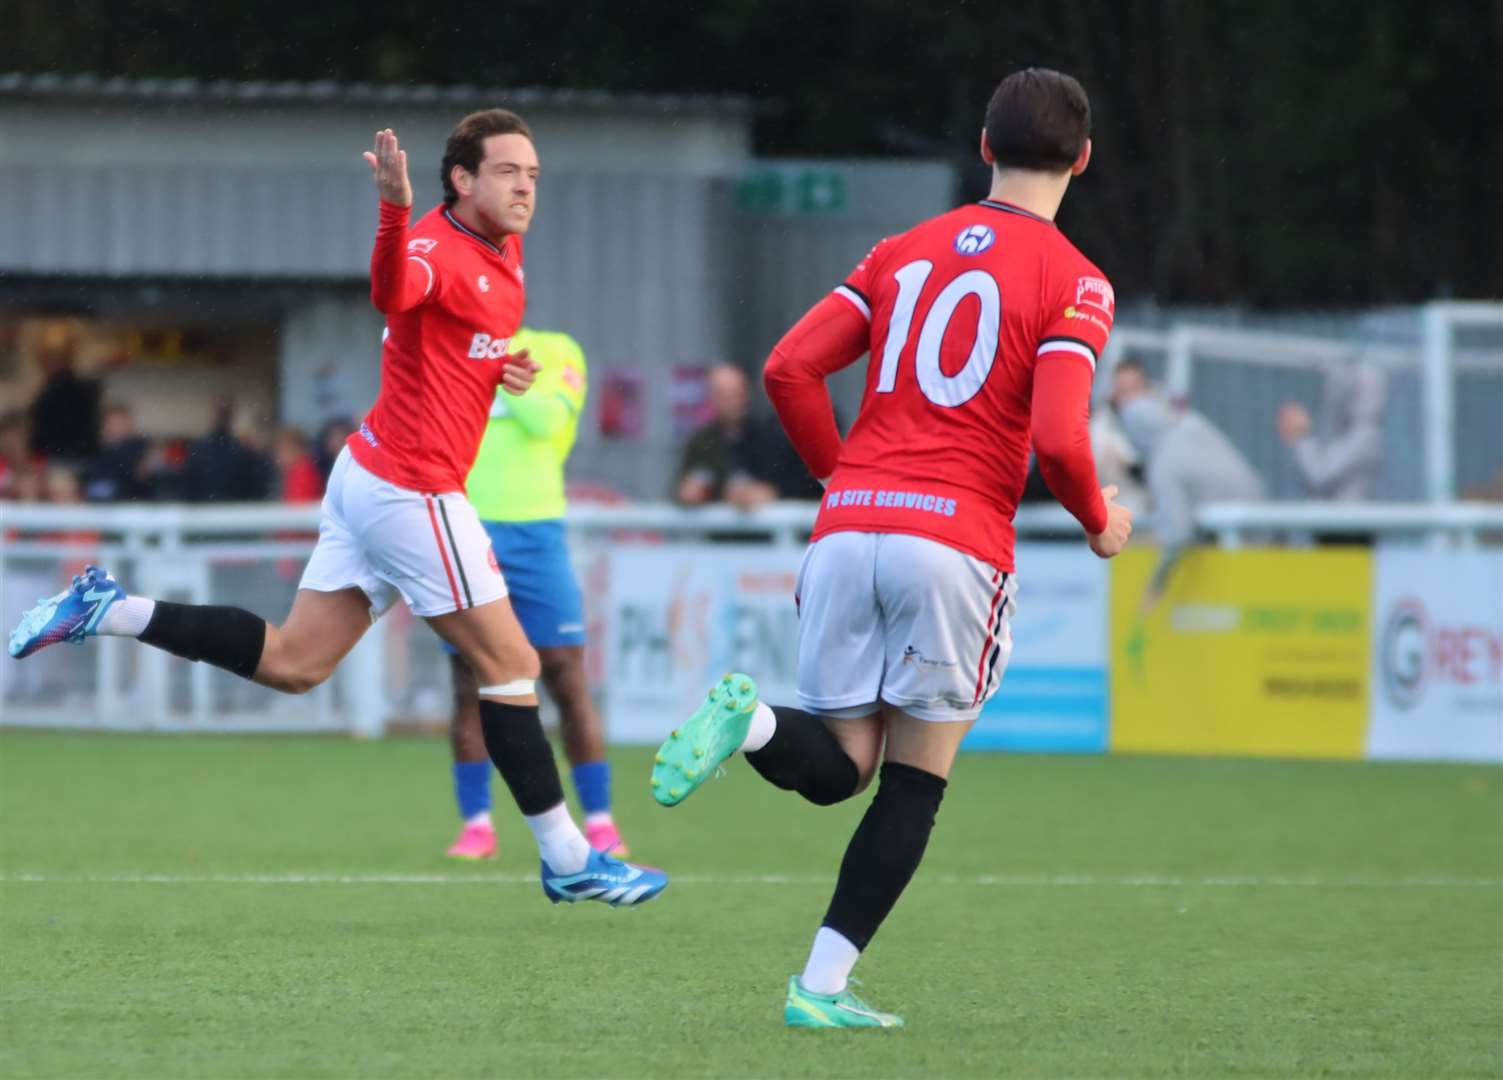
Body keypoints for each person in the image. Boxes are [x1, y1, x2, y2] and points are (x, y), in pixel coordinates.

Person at [8, 111, 667, 907]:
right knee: (513, 666)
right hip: (412, 487)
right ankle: (569, 858)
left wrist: (496, 367)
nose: (526, 185)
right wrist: (391, 211)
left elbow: (448, 342)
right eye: (508, 172)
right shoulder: (430, 246)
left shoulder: (505, 247)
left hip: (370, 473)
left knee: (295, 664)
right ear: (461, 180)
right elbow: (393, 291)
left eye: (533, 173)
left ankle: (110, 609)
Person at [648, 68, 1133, 1028]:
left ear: (983, 148)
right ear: (1081, 159)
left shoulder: (902, 248)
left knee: (842, 767)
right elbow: (1063, 440)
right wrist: (1096, 521)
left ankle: (747, 728)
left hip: (847, 529)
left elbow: (789, 366)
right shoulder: (1075, 280)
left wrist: (840, 477)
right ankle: (816, 989)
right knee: (913, 781)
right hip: (950, 543)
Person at [442, 326, 629, 861]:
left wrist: (492, 370)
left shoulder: (558, 348)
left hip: (537, 531)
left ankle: (599, 823)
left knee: (566, 674)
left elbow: (548, 419)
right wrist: (501, 372)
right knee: (467, 681)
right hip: (466, 524)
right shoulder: (455, 342)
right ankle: (477, 825)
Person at [1111, 359, 1263, 610]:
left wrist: (1155, 586)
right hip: (1268, 536)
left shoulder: (1164, 464)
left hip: (1244, 552)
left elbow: (1178, 533)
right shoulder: (1193, 422)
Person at [675, 363, 824, 509]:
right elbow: (683, 487)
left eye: (735, 394)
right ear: (711, 397)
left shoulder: (771, 437)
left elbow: (804, 486)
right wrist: (692, 493)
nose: (730, 402)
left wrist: (773, 493)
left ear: (746, 394)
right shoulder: (701, 441)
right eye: (722, 395)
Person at [1277, 364, 1386, 501]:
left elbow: (1319, 475)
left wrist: (1299, 437)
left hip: (1348, 519)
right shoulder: (1340, 431)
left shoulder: (1366, 436)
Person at [82, 403, 155, 502]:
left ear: (130, 425)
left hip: (132, 502)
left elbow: (143, 475)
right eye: (113, 423)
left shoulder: (142, 448)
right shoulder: (93, 449)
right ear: (103, 425)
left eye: (122, 423)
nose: (118, 428)